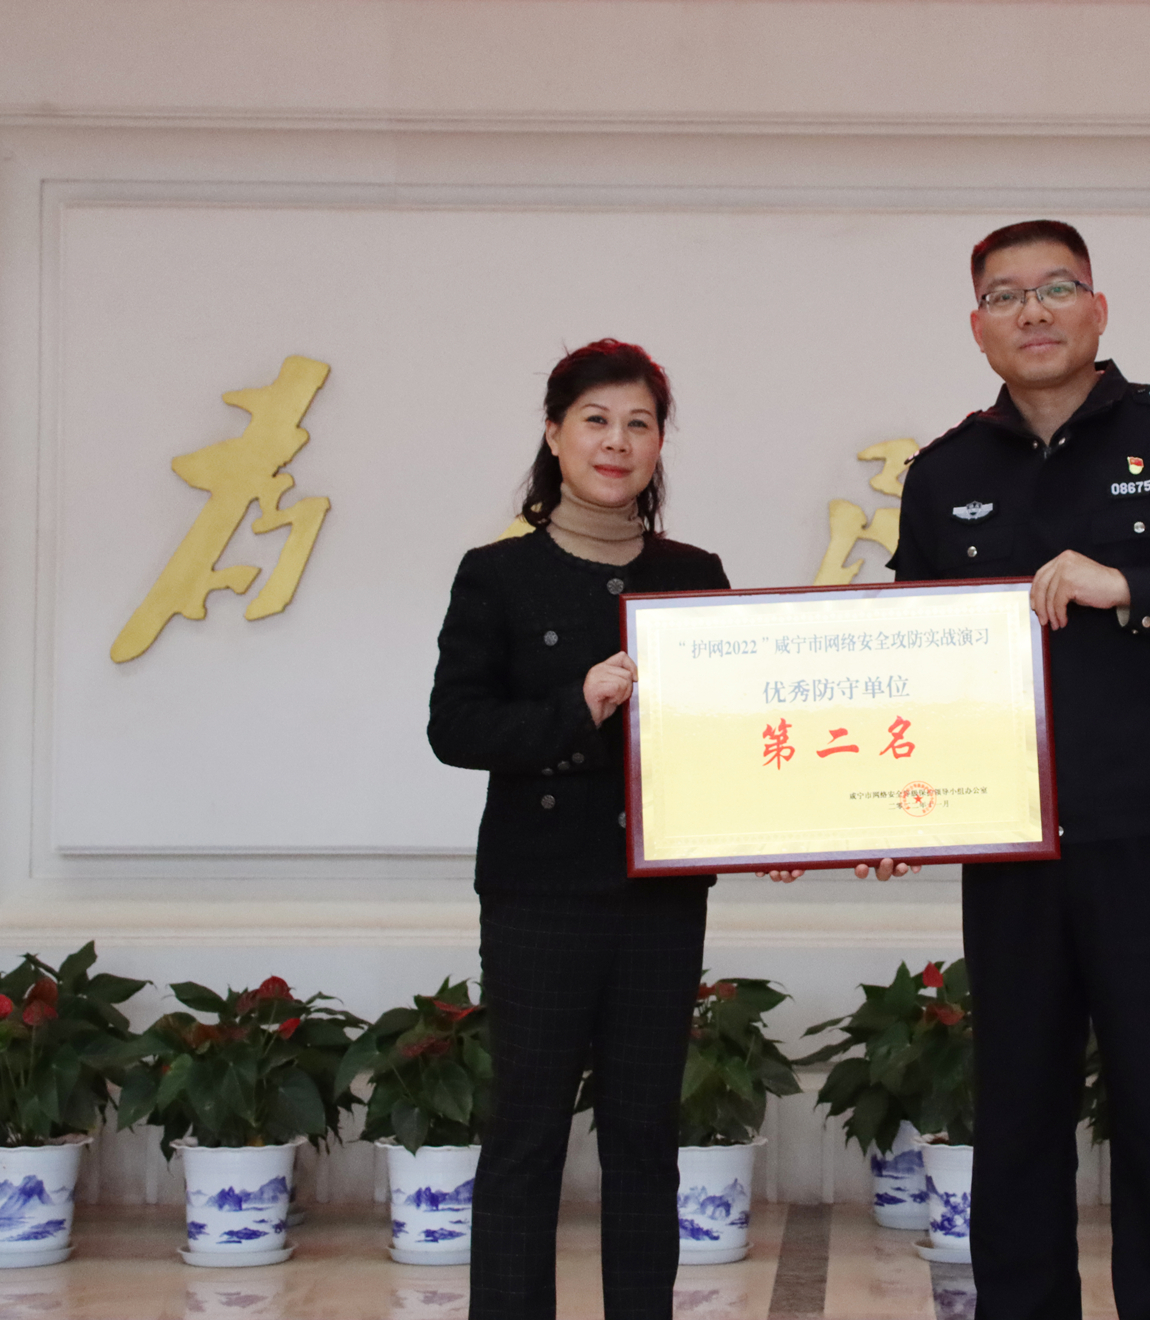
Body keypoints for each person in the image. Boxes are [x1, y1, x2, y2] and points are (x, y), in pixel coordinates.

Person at [889, 221, 1150, 1320]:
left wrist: (1131, 586)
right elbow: (911, 664)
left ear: (1097, 308)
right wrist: (889, 808)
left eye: (1056, 287)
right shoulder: (944, 473)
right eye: (1005, 296)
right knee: (1015, 1108)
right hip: (1011, 840)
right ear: (977, 326)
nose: (1032, 312)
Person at [428, 340, 728, 1320]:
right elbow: (455, 726)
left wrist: (761, 825)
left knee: (644, 1137)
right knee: (526, 1135)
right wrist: (575, 706)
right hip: (539, 892)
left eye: (639, 423)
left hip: (658, 893)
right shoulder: (497, 574)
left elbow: (726, 731)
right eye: (596, 420)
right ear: (555, 434)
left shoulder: (693, 574)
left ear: (659, 445)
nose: (617, 441)